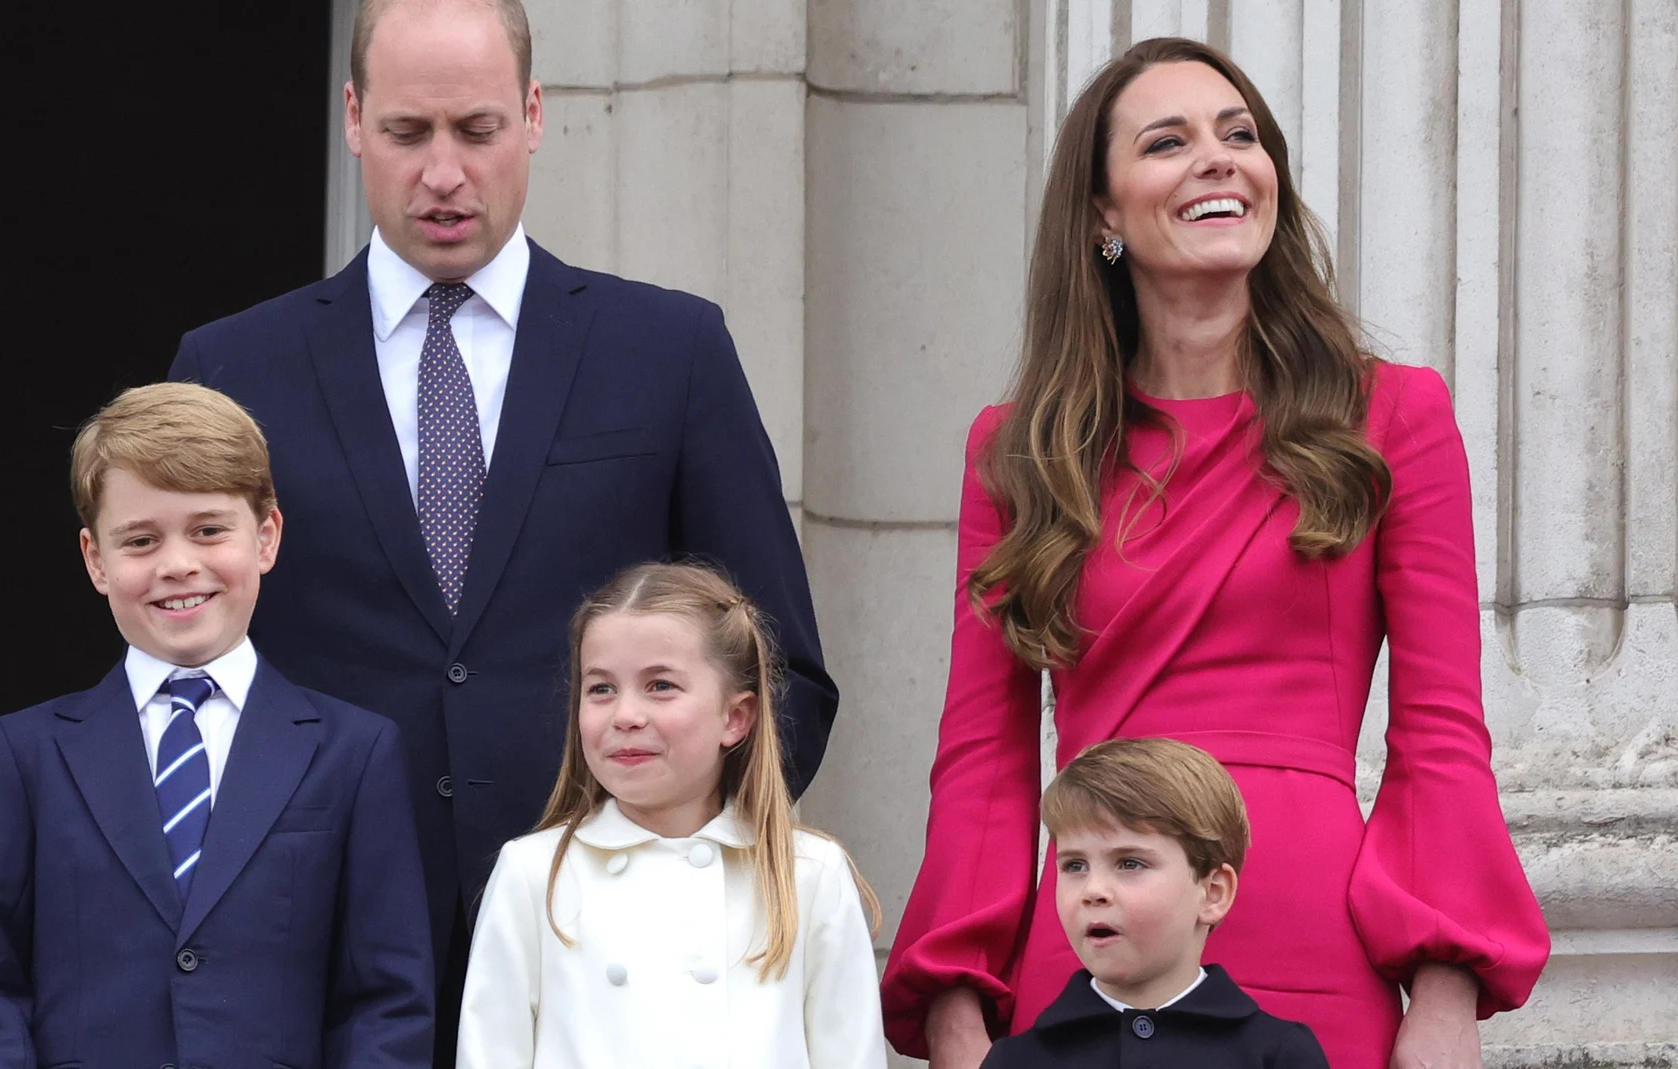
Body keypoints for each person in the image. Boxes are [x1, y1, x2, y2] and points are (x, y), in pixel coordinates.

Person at [166, 3, 834, 1053]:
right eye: (406, 133)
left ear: (532, 116)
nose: (442, 173)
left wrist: (668, 877)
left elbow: (780, 666)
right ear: (351, 119)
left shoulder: (668, 350)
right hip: (319, 964)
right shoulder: (232, 369)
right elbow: (177, 679)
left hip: (609, 971)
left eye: (475, 131)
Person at [879, 36, 1549, 1069]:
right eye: (1168, 141)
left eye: (1240, 136)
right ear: (1102, 213)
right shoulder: (1017, 450)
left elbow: (1441, 731)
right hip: (1093, 952)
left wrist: (1445, 990)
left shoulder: (1393, 415)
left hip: (1314, 941)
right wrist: (957, 1002)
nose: (1219, 158)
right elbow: (981, 755)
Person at [0, 383, 435, 1068]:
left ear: (266, 536)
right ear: (95, 559)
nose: (176, 564)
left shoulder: (354, 751)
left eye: (208, 529)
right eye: (140, 539)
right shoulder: (26, 753)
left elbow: (386, 1002)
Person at [454, 562, 885, 1069]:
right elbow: (489, 1053)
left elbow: (852, 1056)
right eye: (601, 689)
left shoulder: (809, 874)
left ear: (735, 718)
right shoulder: (533, 873)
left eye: (660, 685)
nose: (626, 714)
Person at [981, 737, 1329, 1068]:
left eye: (1129, 863)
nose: (1093, 889)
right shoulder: (1014, 1060)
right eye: (1075, 865)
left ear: (1212, 893)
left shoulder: (1279, 1054)